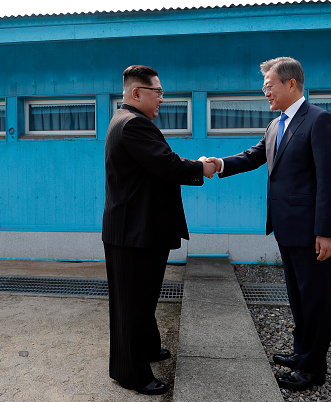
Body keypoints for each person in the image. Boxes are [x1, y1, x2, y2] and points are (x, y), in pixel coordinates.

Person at [206, 57, 331, 391]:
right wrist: (219, 163)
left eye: (269, 86)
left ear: (291, 84)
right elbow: (254, 156)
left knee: (314, 298)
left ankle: (313, 369)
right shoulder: (276, 125)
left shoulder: (319, 121)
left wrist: (326, 231)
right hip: (286, 227)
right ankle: (302, 353)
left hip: (313, 231)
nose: (264, 92)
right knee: (298, 296)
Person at [102, 65, 216, 395]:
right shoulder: (134, 125)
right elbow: (167, 164)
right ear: (136, 93)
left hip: (137, 230)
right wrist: (202, 168)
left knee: (143, 299)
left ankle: (149, 348)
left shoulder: (127, 120)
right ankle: (130, 373)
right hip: (134, 234)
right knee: (132, 306)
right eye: (158, 93)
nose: (162, 100)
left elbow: (158, 163)